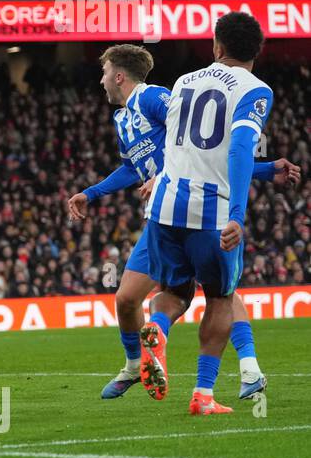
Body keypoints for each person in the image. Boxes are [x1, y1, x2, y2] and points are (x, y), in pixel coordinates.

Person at [67, 44, 299, 402]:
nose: (100, 81)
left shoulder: (154, 97)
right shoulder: (123, 119)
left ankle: (244, 369)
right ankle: (136, 365)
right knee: (128, 299)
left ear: (118, 75)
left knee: (214, 293)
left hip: (185, 201)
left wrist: (163, 176)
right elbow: (132, 167)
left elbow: (195, 146)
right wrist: (92, 193)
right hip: (164, 212)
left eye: (104, 73)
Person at [140, 12, 278, 415]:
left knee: (174, 293)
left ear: (217, 47)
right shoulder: (255, 90)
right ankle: (203, 394)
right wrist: (237, 212)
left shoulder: (184, 81)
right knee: (220, 297)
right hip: (211, 212)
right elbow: (237, 150)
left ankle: (158, 327)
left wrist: (268, 170)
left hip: (163, 205)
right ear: (257, 50)